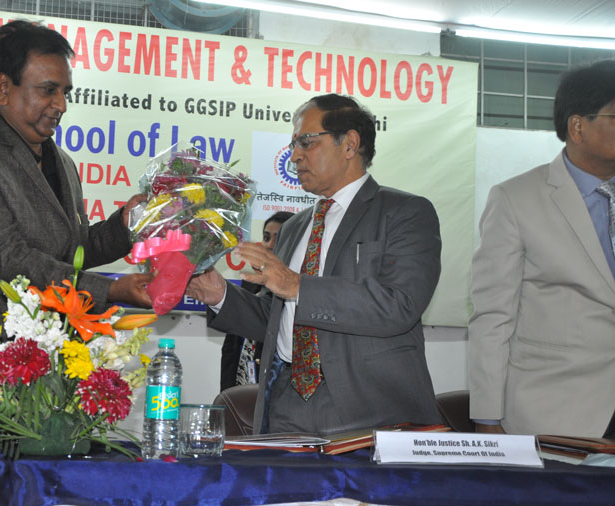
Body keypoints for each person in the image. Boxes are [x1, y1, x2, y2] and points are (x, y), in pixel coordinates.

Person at [0, 21, 153, 440]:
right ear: (3, 88)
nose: (61, 105)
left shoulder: (63, 164)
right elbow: (5, 258)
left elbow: (72, 251)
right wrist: (111, 290)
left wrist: (126, 225)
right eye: (48, 90)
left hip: (35, 391)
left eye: (65, 91)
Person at [187, 93, 443, 435]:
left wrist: (298, 286)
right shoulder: (294, 227)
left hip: (371, 411)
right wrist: (220, 295)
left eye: (306, 142)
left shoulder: (404, 213)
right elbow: (276, 319)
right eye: (293, 144)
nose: (295, 156)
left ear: (349, 144)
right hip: (286, 402)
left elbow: (400, 304)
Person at [469, 60, 615, 438]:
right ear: (577, 127)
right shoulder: (516, 199)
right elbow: (493, 317)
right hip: (558, 410)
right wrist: (487, 418)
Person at [220, 211, 294, 391]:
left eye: (278, 238)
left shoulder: (297, 289)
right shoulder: (250, 283)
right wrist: (227, 394)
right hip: (242, 384)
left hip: (277, 389)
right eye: (266, 237)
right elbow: (231, 346)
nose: (270, 245)